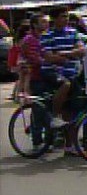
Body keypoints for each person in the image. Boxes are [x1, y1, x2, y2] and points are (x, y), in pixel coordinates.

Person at [40, 6, 85, 130]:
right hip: (52, 72)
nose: (66, 19)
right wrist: (71, 54)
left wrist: (64, 54)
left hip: (72, 74)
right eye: (63, 16)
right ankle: (54, 116)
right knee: (65, 85)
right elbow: (49, 58)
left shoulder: (73, 32)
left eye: (67, 16)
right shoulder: (47, 35)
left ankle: (69, 146)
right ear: (54, 19)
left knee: (73, 111)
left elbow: (82, 50)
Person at [20, 14, 49, 148]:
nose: (46, 24)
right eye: (43, 22)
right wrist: (51, 60)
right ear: (35, 24)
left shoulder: (45, 37)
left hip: (45, 76)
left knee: (46, 109)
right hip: (36, 78)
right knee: (38, 110)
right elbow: (34, 59)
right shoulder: (30, 40)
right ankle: (37, 140)